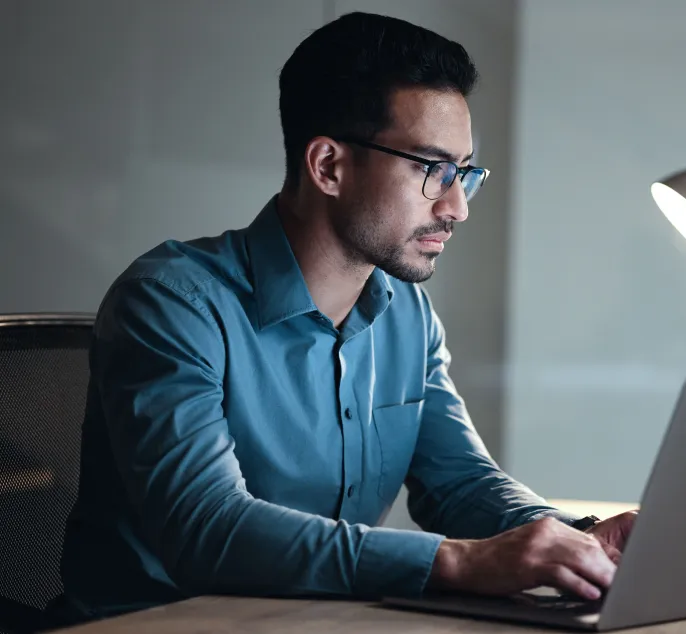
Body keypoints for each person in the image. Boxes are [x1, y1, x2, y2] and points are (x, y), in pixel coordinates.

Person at [55, 11, 636, 624]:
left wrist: (578, 538)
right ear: (329, 166)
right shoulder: (171, 303)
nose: (458, 206)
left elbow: (460, 482)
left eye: (464, 173)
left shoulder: (406, 313)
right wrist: (457, 563)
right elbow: (209, 528)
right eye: (431, 169)